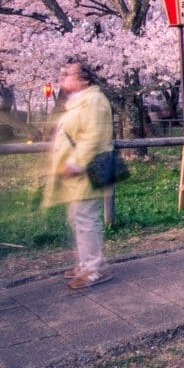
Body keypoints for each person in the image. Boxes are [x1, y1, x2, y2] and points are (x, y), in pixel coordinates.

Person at [44, 60, 114, 289]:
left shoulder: (93, 100)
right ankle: (87, 263)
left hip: (88, 169)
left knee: (85, 217)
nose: (64, 78)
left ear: (84, 79)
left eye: (69, 75)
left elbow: (92, 136)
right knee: (78, 216)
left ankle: (95, 267)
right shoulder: (79, 102)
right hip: (80, 171)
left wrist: (75, 164)